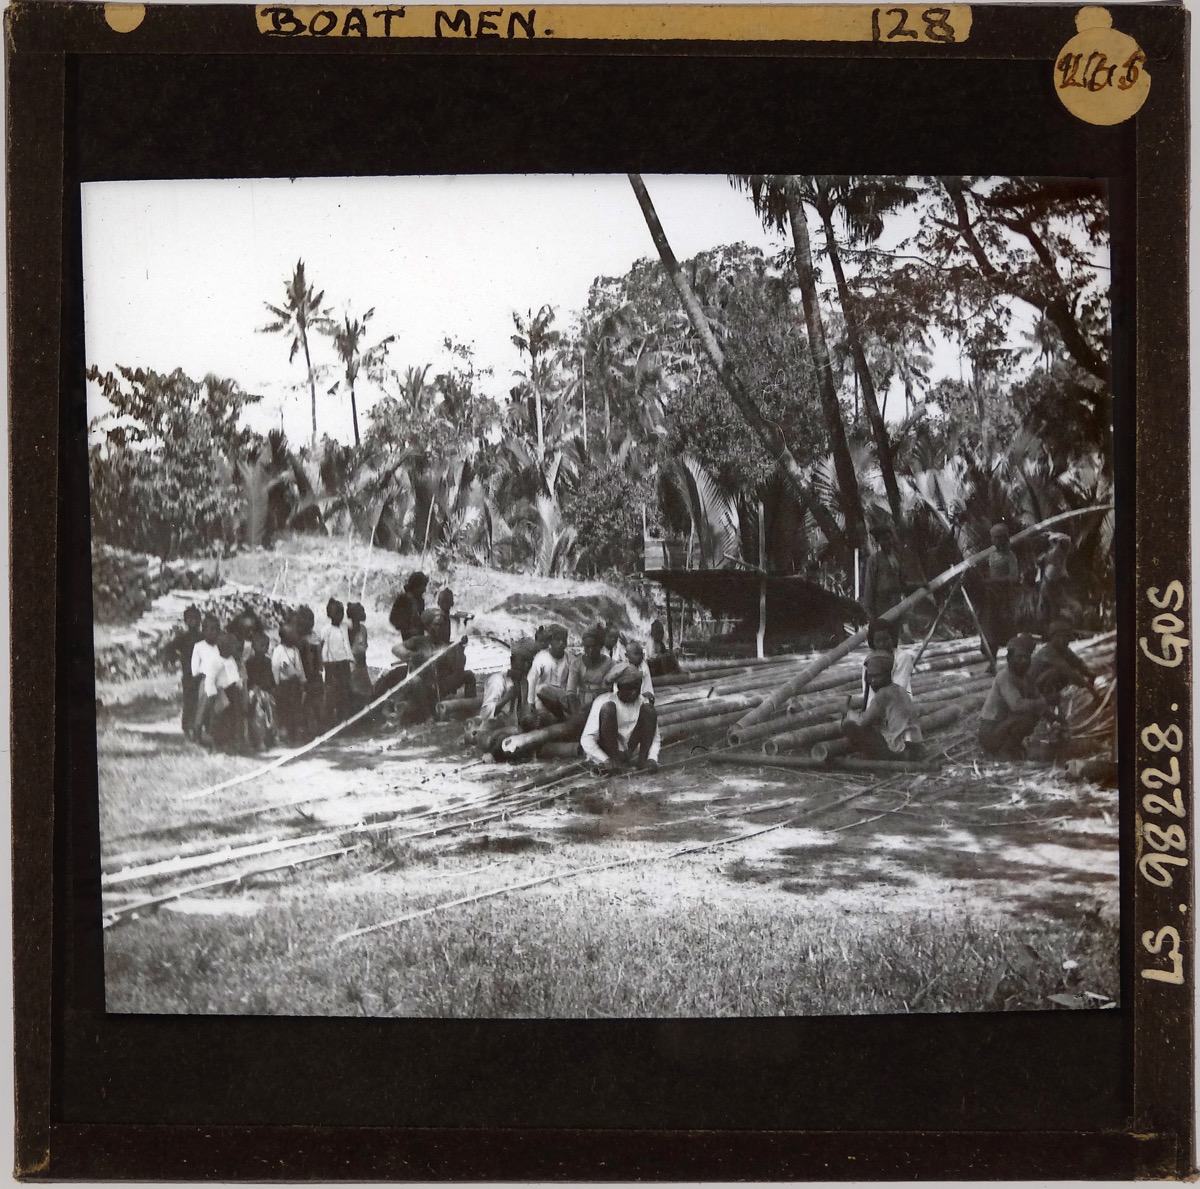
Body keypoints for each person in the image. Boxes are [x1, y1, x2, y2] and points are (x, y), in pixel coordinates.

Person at [978, 633, 1052, 759]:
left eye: (1027, 658)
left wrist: (1053, 718)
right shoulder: (1004, 676)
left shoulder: (1026, 678)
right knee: (1027, 715)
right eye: (1019, 657)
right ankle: (1006, 751)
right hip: (990, 732)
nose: (1023, 661)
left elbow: (1037, 699)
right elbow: (1017, 705)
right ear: (1009, 658)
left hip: (1002, 727)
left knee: (1033, 713)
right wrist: (1043, 702)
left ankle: (1012, 746)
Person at [840, 650, 924, 761]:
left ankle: (870, 758)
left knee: (850, 726)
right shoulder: (900, 690)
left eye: (877, 676)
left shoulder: (883, 694)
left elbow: (862, 721)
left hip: (902, 751)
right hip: (916, 747)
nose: (873, 681)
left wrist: (847, 712)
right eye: (870, 677)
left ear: (888, 675)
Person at [580, 664, 662, 775]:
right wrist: (604, 759)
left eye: (637, 687)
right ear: (619, 687)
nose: (633, 692)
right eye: (629, 688)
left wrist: (652, 758)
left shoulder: (643, 702)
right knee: (608, 708)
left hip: (632, 750)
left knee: (649, 710)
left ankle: (642, 760)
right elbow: (587, 739)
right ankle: (615, 762)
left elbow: (655, 737)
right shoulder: (603, 701)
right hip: (610, 751)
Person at [467, 638, 538, 754]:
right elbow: (485, 714)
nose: (526, 665)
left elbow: (523, 714)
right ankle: (490, 755)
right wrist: (506, 698)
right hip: (490, 734)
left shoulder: (524, 682)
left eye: (530, 662)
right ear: (512, 661)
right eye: (523, 661)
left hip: (512, 732)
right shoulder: (497, 680)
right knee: (508, 737)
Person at [862, 522, 924, 638]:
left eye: (890, 538)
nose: (888, 542)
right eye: (884, 539)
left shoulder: (896, 559)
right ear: (879, 542)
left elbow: (902, 583)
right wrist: (870, 612)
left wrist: (919, 585)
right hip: (881, 605)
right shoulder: (873, 560)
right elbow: (869, 586)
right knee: (883, 636)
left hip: (896, 603)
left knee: (895, 637)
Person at [1030, 620, 1098, 711]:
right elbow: (1069, 672)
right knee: (1057, 673)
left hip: (1039, 685)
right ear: (1054, 637)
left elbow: (1078, 664)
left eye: (1067, 637)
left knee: (1062, 674)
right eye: (1063, 637)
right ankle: (1047, 703)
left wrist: (1090, 675)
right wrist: (1094, 693)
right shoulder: (1048, 652)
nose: (1067, 641)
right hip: (1031, 689)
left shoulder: (1063, 650)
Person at [981, 522, 1021, 674]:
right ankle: (992, 663)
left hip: (1005, 597)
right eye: (993, 538)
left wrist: (994, 581)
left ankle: (1014, 663)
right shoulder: (991, 555)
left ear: (1004, 538)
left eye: (998, 538)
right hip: (992, 597)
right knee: (990, 630)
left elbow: (1014, 577)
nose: (995, 541)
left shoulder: (1010, 556)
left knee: (1008, 630)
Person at [853, 618, 916, 711]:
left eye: (885, 639)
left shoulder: (902, 657)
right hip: (875, 707)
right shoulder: (869, 660)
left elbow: (899, 688)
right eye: (878, 641)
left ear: (892, 638)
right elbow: (868, 692)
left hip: (899, 706)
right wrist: (871, 711)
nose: (882, 644)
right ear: (872, 641)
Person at [206, 632, 246, 751]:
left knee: (234, 717)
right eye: (232, 646)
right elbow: (210, 679)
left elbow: (234, 674)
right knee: (220, 717)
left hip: (233, 691)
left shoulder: (231, 659)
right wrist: (212, 694)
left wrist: (239, 684)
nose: (235, 649)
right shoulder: (215, 661)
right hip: (221, 692)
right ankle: (219, 742)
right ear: (224, 647)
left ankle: (232, 741)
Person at [525, 625, 573, 725]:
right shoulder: (541, 657)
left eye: (564, 640)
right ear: (551, 641)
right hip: (542, 700)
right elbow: (532, 680)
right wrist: (531, 704)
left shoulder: (570, 659)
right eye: (557, 640)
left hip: (561, 700)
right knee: (543, 690)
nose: (561, 643)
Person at [271, 621, 307, 744]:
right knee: (285, 710)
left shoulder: (295, 650)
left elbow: (300, 668)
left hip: (294, 684)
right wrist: (276, 684)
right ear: (284, 636)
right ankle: (286, 735)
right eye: (292, 634)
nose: (295, 636)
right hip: (284, 685)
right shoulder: (278, 651)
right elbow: (275, 668)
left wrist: (303, 681)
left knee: (296, 709)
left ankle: (295, 734)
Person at [189, 613, 223, 740]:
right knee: (204, 702)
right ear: (203, 630)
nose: (213, 632)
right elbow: (195, 669)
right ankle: (197, 728)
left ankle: (216, 731)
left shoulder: (220, 645)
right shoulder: (199, 647)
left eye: (216, 629)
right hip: (206, 679)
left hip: (221, 680)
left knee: (221, 705)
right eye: (210, 629)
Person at [321, 598, 354, 727]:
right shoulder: (326, 630)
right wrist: (325, 663)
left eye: (341, 613)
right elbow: (324, 647)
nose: (340, 616)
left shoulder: (344, 627)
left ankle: (344, 719)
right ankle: (329, 721)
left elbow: (347, 643)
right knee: (332, 692)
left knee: (344, 690)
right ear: (330, 614)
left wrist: (350, 658)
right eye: (337, 613)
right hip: (332, 665)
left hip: (344, 663)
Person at [295, 605, 325, 735]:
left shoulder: (309, 639)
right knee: (309, 702)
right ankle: (311, 727)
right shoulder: (305, 640)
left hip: (312, 675)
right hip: (307, 674)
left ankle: (315, 727)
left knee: (313, 702)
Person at [244, 630, 277, 750]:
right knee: (258, 713)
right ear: (253, 646)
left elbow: (271, 679)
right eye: (261, 645)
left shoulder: (268, 662)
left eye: (265, 646)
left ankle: (271, 737)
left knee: (270, 711)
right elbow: (248, 681)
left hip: (266, 692)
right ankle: (259, 740)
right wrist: (253, 690)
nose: (263, 648)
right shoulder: (249, 663)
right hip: (253, 692)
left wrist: (271, 688)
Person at [175, 605, 204, 739]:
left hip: (201, 674)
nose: (193, 621)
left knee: (201, 701)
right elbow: (169, 649)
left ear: (200, 620)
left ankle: (198, 727)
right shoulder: (183, 638)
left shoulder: (203, 637)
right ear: (185, 621)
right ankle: (187, 727)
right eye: (190, 619)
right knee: (189, 700)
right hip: (188, 674)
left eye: (196, 618)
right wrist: (177, 657)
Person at [1036, 534, 1072, 628]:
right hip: (1049, 584)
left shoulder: (1059, 556)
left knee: (1052, 608)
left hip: (1053, 584)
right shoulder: (1053, 554)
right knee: (1048, 608)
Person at [346, 602, 373, 713]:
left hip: (362, 662)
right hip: (353, 662)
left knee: (365, 690)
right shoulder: (349, 630)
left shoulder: (363, 629)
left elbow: (364, 647)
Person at [389, 571, 428, 641]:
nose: (424, 590)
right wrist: (407, 629)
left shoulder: (421, 601)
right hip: (407, 637)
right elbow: (393, 618)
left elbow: (421, 617)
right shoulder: (402, 599)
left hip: (419, 637)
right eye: (423, 586)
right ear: (416, 586)